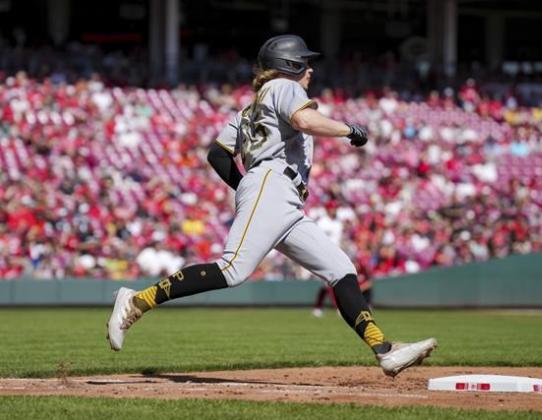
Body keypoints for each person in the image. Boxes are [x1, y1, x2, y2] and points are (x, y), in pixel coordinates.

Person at [107, 34, 437, 377]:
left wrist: (246, 186)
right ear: (289, 64)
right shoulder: (285, 86)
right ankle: (137, 300)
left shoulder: (248, 110)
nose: (309, 69)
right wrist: (349, 131)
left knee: (341, 269)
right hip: (273, 184)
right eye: (304, 62)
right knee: (232, 268)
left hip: (282, 197)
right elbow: (304, 121)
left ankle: (384, 349)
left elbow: (217, 154)